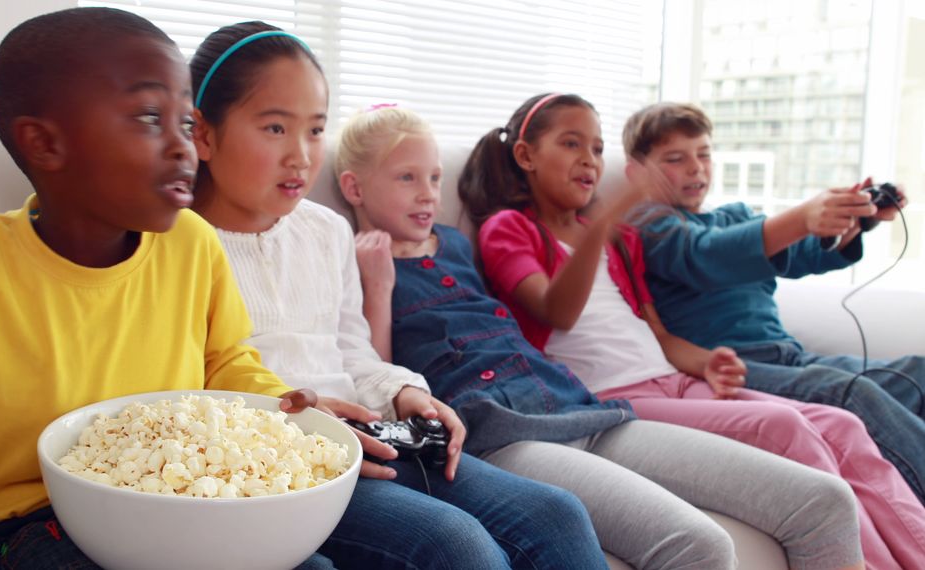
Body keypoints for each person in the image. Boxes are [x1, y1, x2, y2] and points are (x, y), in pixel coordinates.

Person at [0, 4, 318, 568]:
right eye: (149, 118)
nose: (183, 146)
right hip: (30, 518)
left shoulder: (190, 242)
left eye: (186, 123)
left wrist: (270, 405)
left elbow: (223, 360)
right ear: (45, 144)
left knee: (417, 546)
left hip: (184, 495)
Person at [339, 103, 867, 569]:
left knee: (824, 500)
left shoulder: (454, 242)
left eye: (433, 178)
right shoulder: (350, 258)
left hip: (577, 401)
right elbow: (380, 381)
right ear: (354, 187)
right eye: (407, 178)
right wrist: (379, 286)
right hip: (503, 429)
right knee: (700, 545)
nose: (428, 194)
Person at [185, 21, 606, 569]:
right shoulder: (175, 245)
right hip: (282, 464)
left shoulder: (325, 229)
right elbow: (184, 390)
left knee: (558, 516)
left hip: (373, 433)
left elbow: (351, 350)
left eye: (314, 131)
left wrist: (408, 394)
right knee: (456, 546)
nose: (302, 156)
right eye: (273, 129)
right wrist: (304, 430)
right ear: (203, 134)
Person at [465, 91, 925, 567]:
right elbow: (556, 310)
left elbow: (658, 335)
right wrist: (598, 226)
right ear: (526, 156)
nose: (589, 160)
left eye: (598, 149)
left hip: (673, 379)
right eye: (571, 144)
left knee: (841, 423)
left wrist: (707, 362)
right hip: (610, 396)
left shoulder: (621, 240)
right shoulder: (510, 228)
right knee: (785, 424)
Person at [625, 101, 925, 507]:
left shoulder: (734, 216)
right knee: (850, 392)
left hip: (790, 358)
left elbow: (803, 253)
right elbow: (707, 256)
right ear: (636, 172)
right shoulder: (650, 226)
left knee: (915, 374)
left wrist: (851, 222)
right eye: (676, 159)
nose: (696, 168)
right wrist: (801, 217)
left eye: (704, 154)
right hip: (734, 368)